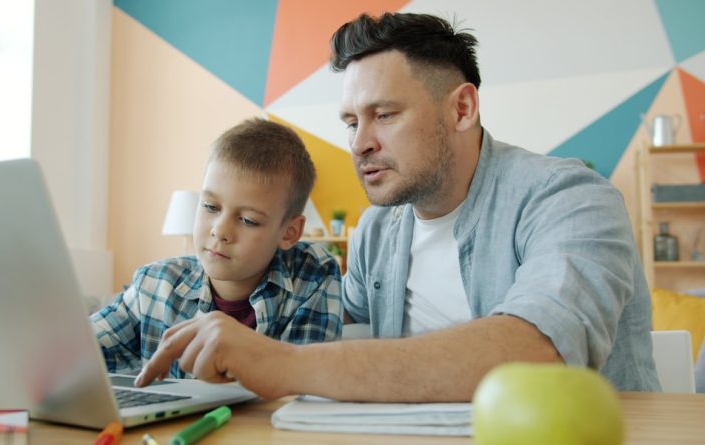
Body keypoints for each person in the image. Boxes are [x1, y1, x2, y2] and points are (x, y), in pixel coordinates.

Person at [134, 12, 660, 400]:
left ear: (462, 108)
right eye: (350, 122)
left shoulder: (571, 198)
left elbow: (537, 351)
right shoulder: (377, 231)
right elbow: (332, 325)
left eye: (384, 114)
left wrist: (284, 364)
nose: (359, 144)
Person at [91, 118, 343, 378]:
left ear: (289, 232)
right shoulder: (154, 285)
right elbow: (79, 352)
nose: (220, 231)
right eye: (210, 207)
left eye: (248, 220)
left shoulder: (313, 277)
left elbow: (308, 382)